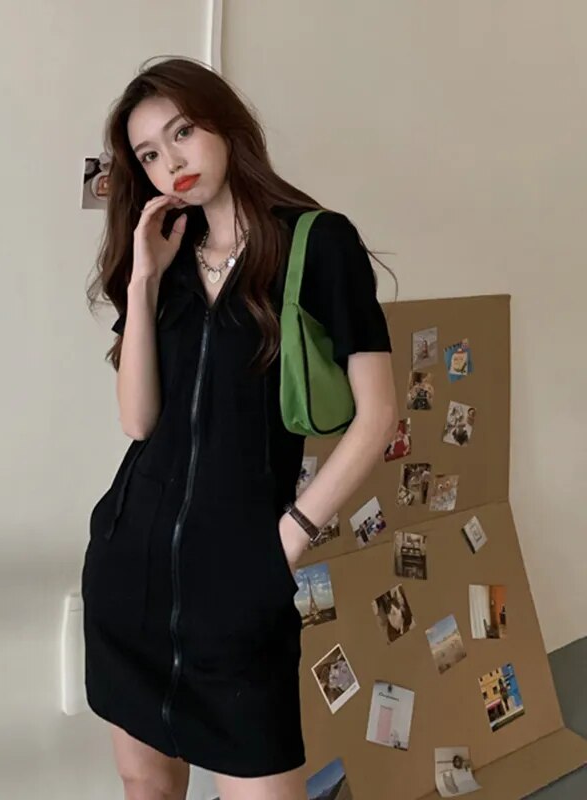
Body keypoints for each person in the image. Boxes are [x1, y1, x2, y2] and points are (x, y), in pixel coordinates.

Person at [82, 56, 398, 800]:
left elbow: (380, 414)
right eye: (149, 154)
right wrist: (144, 277)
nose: (170, 163)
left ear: (225, 123)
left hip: (240, 582)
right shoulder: (168, 258)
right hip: (130, 570)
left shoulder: (318, 244)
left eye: (182, 132)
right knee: (146, 787)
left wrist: (288, 539)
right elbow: (137, 420)